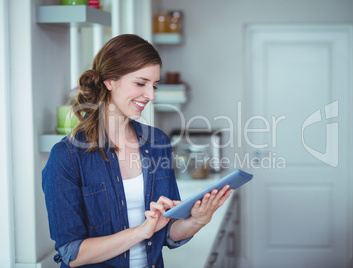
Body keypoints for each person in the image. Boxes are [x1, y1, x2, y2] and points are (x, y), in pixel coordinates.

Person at [42, 34, 233, 268]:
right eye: (141, 83)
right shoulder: (67, 156)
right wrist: (141, 231)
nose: (150, 96)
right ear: (109, 81)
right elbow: (72, 253)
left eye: (153, 86)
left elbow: (168, 231)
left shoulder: (157, 143)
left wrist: (198, 221)